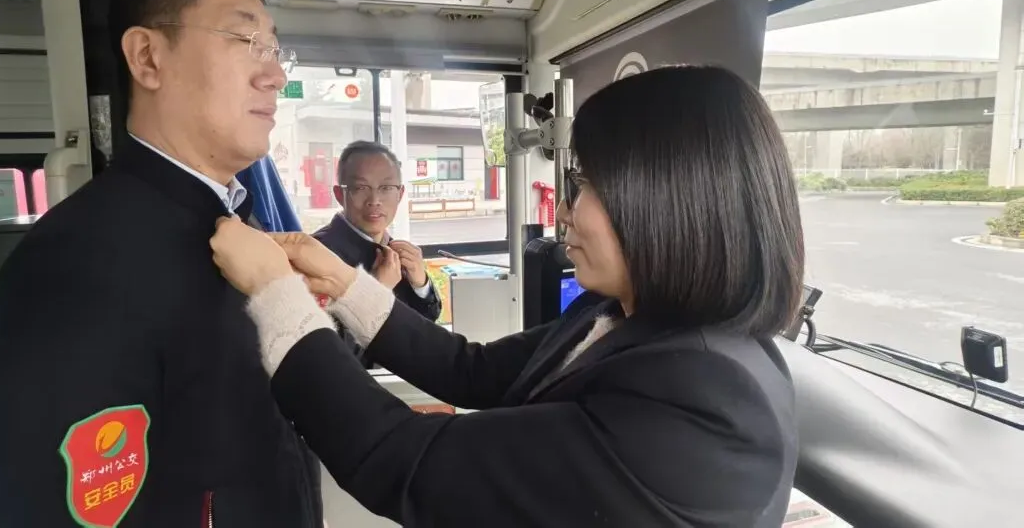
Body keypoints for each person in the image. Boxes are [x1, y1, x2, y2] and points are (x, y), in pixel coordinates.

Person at [210, 64, 804, 527]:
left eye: (584, 185)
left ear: (668, 202)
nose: (564, 213)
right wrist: (344, 285)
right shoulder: (617, 314)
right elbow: (474, 369)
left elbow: (405, 462)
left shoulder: (703, 406)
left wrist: (276, 294)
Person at [0, 0, 324, 528]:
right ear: (148, 58)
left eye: (275, 48)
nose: (275, 75)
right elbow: (40, 496)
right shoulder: (76, 265)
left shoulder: (241, 230)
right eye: (245, 39)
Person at [311, 141, 441, 365]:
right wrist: (373, 292)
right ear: (339, 194)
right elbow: (324, 356)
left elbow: (421, 332)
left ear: (400, 194)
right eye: (361, 188)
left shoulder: (396, 251)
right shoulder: (315, 255)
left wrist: (421, 286)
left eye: (386, 188)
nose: (374, 201)